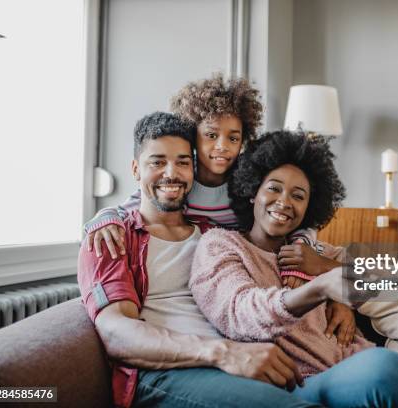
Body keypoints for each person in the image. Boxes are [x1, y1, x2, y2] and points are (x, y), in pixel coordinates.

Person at [190, 130, 398, 408]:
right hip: (305, 383)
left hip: (359, 365)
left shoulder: (318, 252)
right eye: (273, 188)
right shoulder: (221, 245)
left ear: (309, 209)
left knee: (389, 366)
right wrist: (320, 288)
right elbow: (240, 315)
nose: (285, 201)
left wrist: (327, 267)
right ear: (252, 192)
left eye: (298, 196)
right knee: (382, 369)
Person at [84, 74, 356, 346]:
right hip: (219, 281)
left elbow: (299, 223)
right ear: (193, 137)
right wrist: (101, 218)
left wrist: (325, 280)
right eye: (211, 135)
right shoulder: (179, 185)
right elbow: (130, 205)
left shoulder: (248, 184)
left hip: (253, 275)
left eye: (233, 138)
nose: (222, 146)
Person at [77, 112, 322, 408]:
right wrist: (222, 352)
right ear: (135, 170)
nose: (172, 173)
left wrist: (338, 298)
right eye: (157, 162)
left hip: (241, 364)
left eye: (182, 162)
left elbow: (281, 242)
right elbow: (116, 333)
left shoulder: (216, 233)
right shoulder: (112, 237)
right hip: (169, 372)